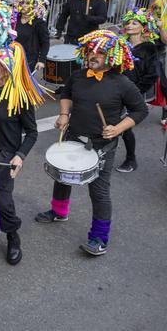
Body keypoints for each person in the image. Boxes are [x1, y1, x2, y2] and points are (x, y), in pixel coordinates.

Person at [35, 30, 146, 256]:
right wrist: (64, 114)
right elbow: (66, 93)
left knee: (99, 192)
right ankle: (59, 212)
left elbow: (140, 110)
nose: (93, 55)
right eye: (90, 51)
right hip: (74, 136)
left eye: (100, 52)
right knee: (62, 177)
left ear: (112, 56)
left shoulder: (122, 83)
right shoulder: (78, 75)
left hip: (101, 145)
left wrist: (118, 128)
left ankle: (98, 238)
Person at [0, 42, 48, 265]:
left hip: (4, 155)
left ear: (7, 69)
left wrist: (20, 156)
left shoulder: (19, 96)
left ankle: (12, 236)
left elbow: (32, 133)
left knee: (3, 200)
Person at [114, 10, 159, 173]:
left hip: (133, 93)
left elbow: (152, 74)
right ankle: (102, 153)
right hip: (116, 89)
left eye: (134, 23)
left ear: (143, 27)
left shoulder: (149, 48)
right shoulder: (120, 44)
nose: (129, 26)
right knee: (109, 119)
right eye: (128, 23)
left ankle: (131, 160)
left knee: (125, 126)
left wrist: (135, 92)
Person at [14, 0, 50, 73]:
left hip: (29, 60)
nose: (23, 5)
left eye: (27, 3)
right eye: (22, 2)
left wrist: (41, 60)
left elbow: (45, 42)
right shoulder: (15, 19)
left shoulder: (39, 23)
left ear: (35, 5)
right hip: (12, 57)